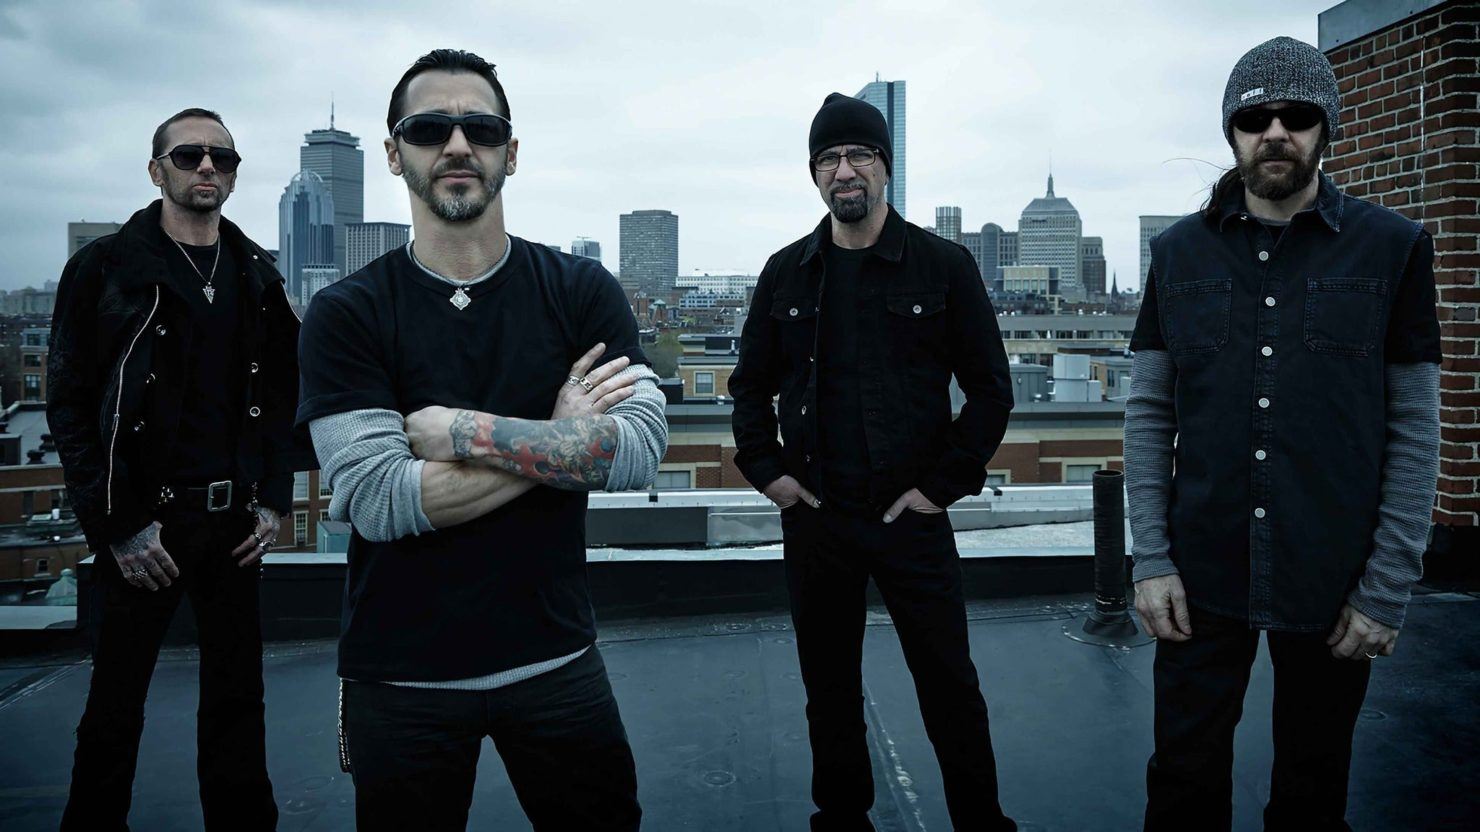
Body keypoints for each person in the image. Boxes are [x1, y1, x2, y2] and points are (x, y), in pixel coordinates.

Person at [296, 49, 667, 831]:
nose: (458, 145)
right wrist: (561, 438)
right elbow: (380, 500)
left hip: (557, 659)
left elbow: (636, 450)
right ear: (394, 153)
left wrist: (462, 432)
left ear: (511, 152)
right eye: (430, 128)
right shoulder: (348, 313)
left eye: (482, 129)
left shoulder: (578, 291)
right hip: (401, 681)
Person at [1125, 36, 1442, 832]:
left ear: (1325, 126)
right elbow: (1149, 414)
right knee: (1183, 781)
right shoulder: (1176, 253)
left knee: (1313, 789)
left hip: (1334, 573)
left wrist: (1387, 586)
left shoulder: (1395, 249)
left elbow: (1415, 426)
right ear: (1230, 132)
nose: (1274, 132)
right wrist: (1151, 558)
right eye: (1253, 118)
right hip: (1201, 569)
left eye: (1296, 116)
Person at [729, 92, 1018, 831]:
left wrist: (940, 489)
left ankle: (982, 823)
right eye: (828, 158)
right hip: (817, 517)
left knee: (949, 685)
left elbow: (991, 389)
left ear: (886, 167)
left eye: (859, 154)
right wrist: (770, 475)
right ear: (814, 174)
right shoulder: (786, 273)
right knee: (828, 690)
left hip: (909, 517)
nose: (844, 170)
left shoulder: (943, 266)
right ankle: (842, 819)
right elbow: (749, 387)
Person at [49, 107, 312, 830]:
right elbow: (68, 404)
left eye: (222, 158)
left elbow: (282, 397)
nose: (206, 167)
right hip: (144, 525)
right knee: (115, 706)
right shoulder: (107, 268)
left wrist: (274, 499)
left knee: (239, 703)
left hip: (234, 524)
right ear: (156, 170)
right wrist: (118, 525)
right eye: (189, 154)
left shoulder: (257, 272)